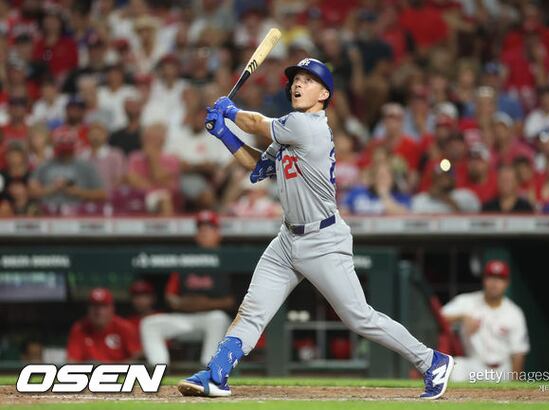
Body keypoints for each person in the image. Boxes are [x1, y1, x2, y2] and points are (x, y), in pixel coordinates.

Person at [177, 58, 454, 400]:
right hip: (287, 238)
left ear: (324, 94)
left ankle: (432, 361)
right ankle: (216, 374)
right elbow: (259, 167)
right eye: (296, 79)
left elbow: (256, 122)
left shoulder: (308, 125)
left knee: (360, 318)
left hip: (323, 239)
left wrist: (230, 111)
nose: (298, 84)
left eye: (308, 80)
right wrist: (224, 134)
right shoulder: (291, 129)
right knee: (253, 308)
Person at [141, 211, 234, 367]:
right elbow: (170, 298)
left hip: (212, 319)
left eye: (209, 229)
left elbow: (233, 301)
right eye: (201, 229)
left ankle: (209, 369)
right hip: (185, 318)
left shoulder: (229, 260)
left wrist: (206, 304)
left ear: (218, 234)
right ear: (196, 235)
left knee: (217, 318)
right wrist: (191, 304)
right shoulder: (185, 259)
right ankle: (161, 370)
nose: (204, 233)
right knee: (149, 324)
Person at [442, 260, 530, 382]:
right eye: (491, 277)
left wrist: (516, 382)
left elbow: (518, 352)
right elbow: (438, 316)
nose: (494, 283)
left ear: (507, 283)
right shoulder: (467, 301)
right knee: (456, 367)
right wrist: (461, 317)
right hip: (475, 365)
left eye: (499, 279)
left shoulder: (514, 312)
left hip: (502, 369)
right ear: (484, 280)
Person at [29, 130, 106, 215]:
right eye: (62, 150)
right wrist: (51, 188)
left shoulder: (86, 166)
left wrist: (78, 192)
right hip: (48, 211)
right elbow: (31, 192)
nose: (64, 154)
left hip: (78, 212)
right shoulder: (44, 165)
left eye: (67, 150)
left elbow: (102, 194)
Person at [66, 287, 141, 363]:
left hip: (120, 370)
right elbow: (72, 361)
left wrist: (111, 367)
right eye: (94, 306)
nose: (99, 312)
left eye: (103, 306)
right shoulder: (79, 329)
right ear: (88, 309)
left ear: (112, 308)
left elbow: (137, 359)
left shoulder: (125, 328)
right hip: (90, 370)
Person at [412, 160, 481, 214]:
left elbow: (473, 217)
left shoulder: (466, 195)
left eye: (448, 174)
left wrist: (444, 198)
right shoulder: (421, 199)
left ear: (454, 178)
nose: (445, 177)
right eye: (441, 175)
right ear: (434, 178)